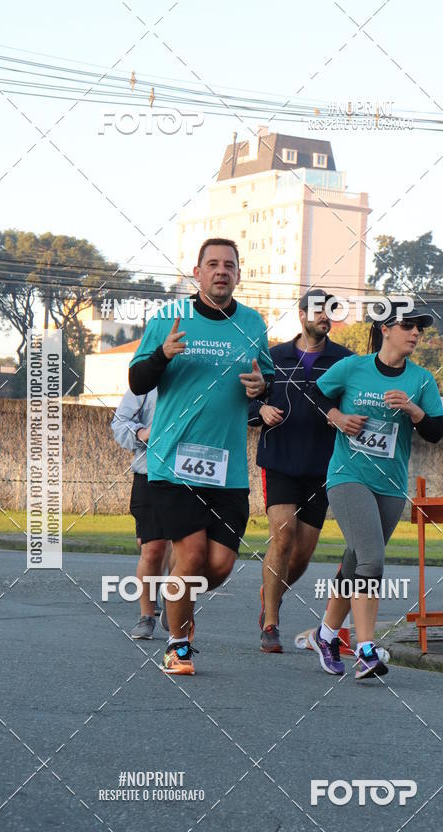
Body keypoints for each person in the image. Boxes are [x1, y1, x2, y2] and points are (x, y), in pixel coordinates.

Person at [128, 238, 275, 675]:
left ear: (238, 274)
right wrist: (162, 354)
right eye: (212, 264)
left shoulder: (252, 322)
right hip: (173, 461)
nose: (221, 271)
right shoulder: (169, 319)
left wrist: (259, 387)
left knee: (219, 566)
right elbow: (137, 381)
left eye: (229, 265)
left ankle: (177, 595)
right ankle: (177, 646)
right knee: (190, 555)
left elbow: (262, 376)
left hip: (227, 467)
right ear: (197, 272)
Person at [309, 300, 443, 679]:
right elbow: (315, 394)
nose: (416, 333)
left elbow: (435, 432)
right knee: (372, 559)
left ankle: (326, 634)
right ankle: (366, 650)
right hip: (347, 476)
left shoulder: (421, 380)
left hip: (390, 484)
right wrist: (337, 417)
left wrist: (414, 412)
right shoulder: (353, 368)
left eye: (420, 327)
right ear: (385, 328)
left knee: (356, 560)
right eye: (408, 325)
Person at [248, 289, 352, 653]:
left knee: (302, 554)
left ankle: (270, 591)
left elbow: (352, 401)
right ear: (302, 314)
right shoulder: (273, 357)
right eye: (319, 311)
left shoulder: (344, 362)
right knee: (283, 534)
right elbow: (246, 399)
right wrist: (259, 411)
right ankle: (271, 623)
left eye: (330, 313)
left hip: (323, 467)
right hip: (279, 461)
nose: (325, 318)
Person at [111, 388, 171, 639]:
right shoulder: (147, 381)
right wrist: (142, 432)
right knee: (152, 548)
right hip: (150, 474)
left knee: (185, 547)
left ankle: (172, 598)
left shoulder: (200, 376)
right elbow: (120, 423)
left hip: (191, 475)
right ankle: (147, 616)